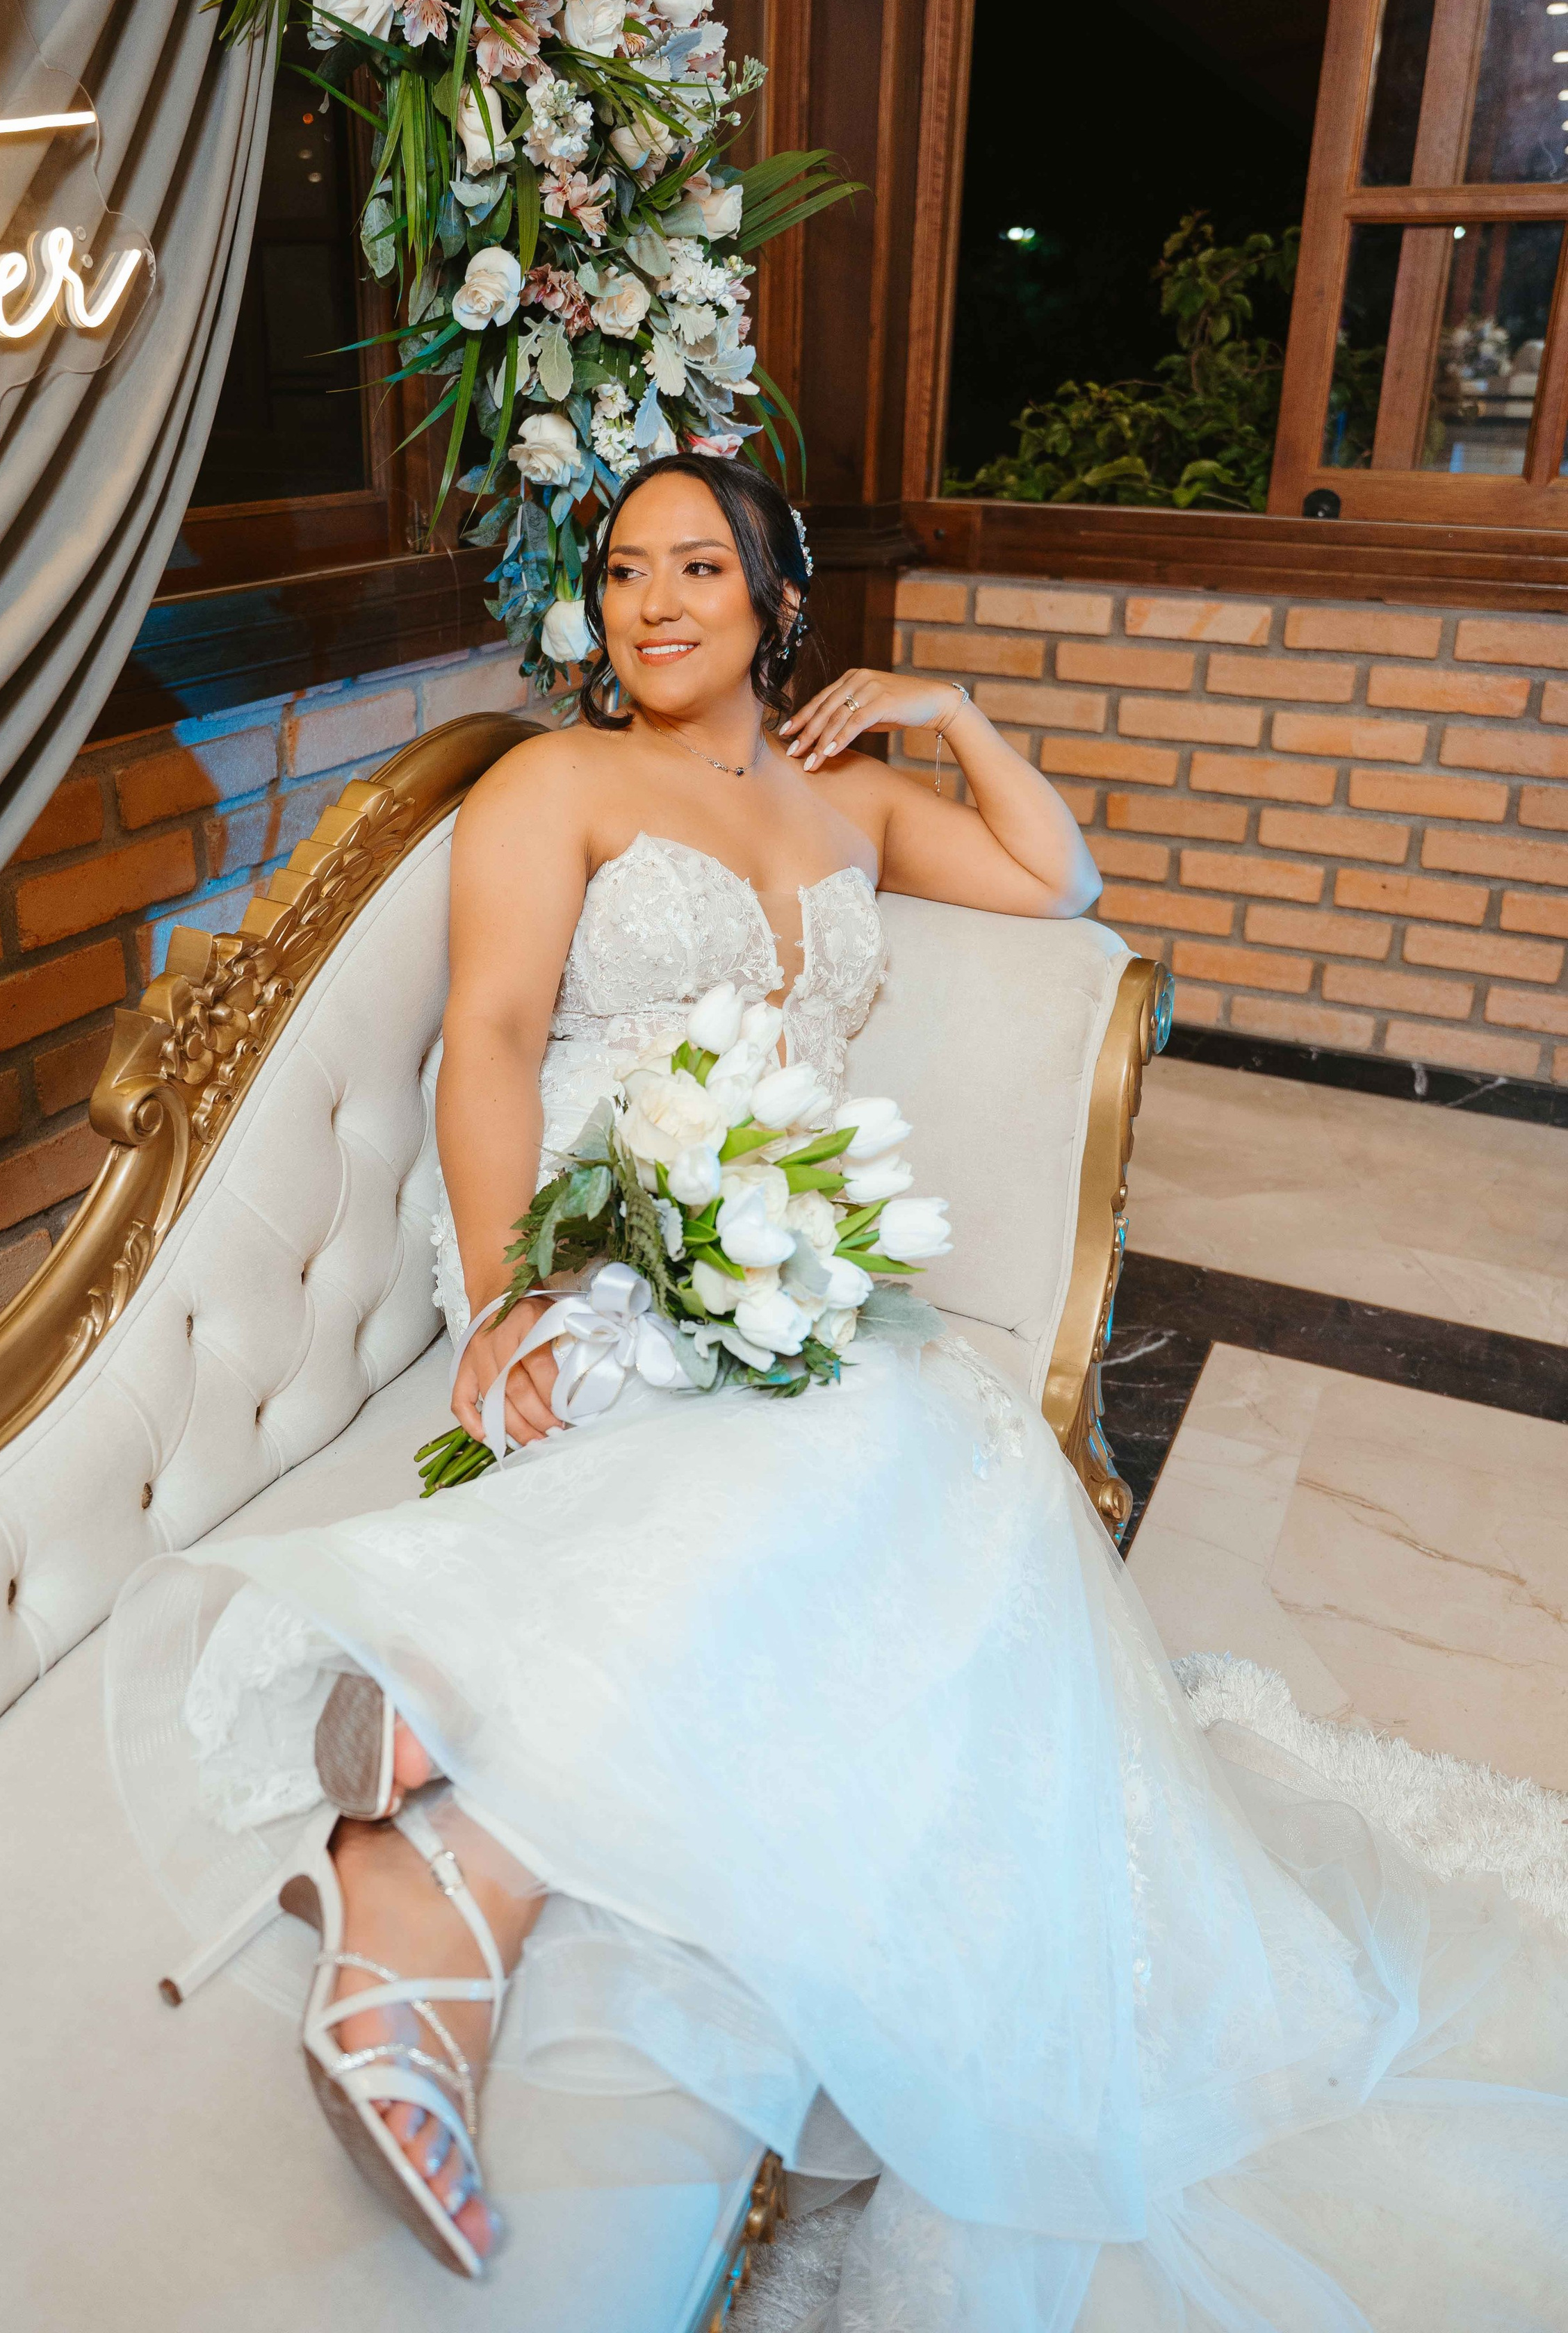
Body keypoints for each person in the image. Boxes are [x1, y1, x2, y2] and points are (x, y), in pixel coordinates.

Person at [107, 457, 1567, 2330]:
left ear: (777, 598)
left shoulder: (856, 799)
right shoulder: (554, 785)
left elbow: (1065, 880)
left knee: (924, 1445)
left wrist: (948, 713)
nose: (653, 605)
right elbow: (484, 1034)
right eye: (625, 571)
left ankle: (454, 1736)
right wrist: (513, 1289)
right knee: (845, 1460)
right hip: (601, 1206)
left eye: (700, 568)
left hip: (778, 1245)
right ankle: (439, 1885)